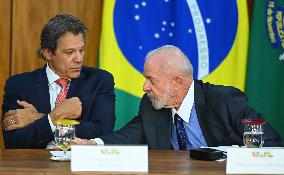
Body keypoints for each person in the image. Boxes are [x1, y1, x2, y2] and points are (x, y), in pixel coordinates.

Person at [75, 45, 283, 149]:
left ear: (177, 82)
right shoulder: (151, 105)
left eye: (151, 79)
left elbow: (272, 144)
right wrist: (93, 144)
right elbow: (128, 135)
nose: (144, 86)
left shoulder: (225, 100)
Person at [1, 13, 115, 148]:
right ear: (48, 53)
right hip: (34, 165)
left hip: (80, 164)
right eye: (70, 52)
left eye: (81, 50)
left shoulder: (100, 80)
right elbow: (13, 142)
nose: (79, 59)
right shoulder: (18, 85)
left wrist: (42, 119)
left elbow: (103, 131)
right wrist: (55, 116)